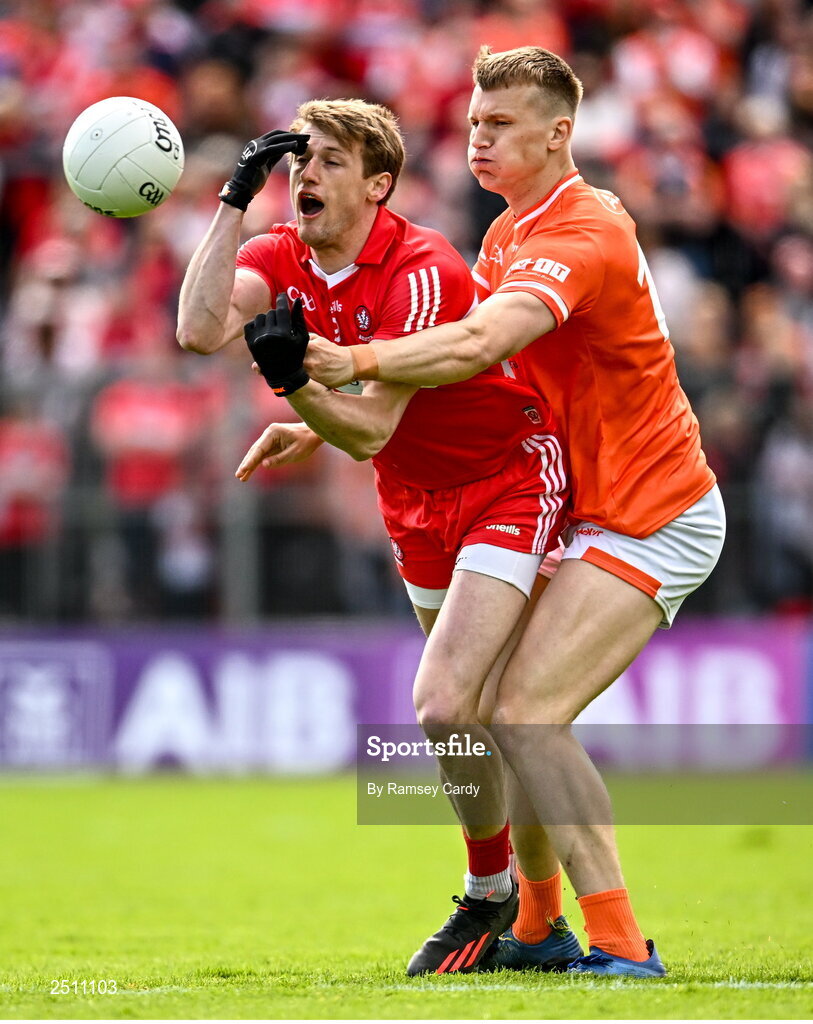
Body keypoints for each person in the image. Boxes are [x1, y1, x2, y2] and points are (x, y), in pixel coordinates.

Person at [300, 47, 726, 978]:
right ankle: (532, 931)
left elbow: (486, 336)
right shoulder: (506, 233)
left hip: (654, 507)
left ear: (557, 133)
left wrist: (355, 364)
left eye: (498, 125)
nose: (476, 139)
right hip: (586, 505)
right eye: (472, 123)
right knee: (488, 710)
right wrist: (332, 419)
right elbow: (476, 373)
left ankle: (617, 944)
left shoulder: (578, 232)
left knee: (525, 712)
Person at [177, 98, 577, 975]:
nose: (302, 175)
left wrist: (299, 394)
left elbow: (369, 430)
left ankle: (494, 896)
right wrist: (230, 201)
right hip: (415, 502)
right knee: (471, 719)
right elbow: (198, 329)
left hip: (508, 476)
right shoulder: (277, 252)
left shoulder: (419, 265)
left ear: (377, 183)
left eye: (325, 161)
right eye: (293, 162)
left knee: (444, 704)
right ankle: (537, 927)